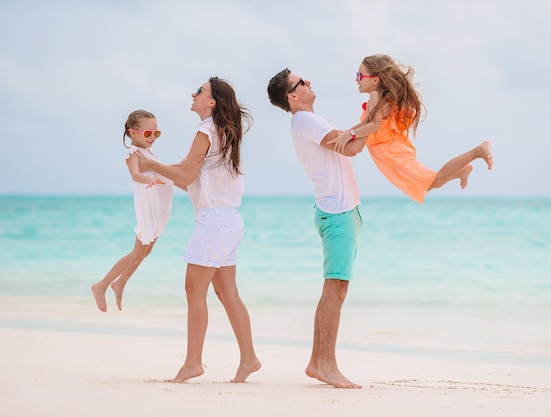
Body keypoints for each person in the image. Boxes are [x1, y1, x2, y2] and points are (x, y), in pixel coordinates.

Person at [137, 78, 261, 383]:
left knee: (195, 291)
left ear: (212, 102)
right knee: (227, 293)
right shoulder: (223, 133)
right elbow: (186, 179)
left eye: (199, 92)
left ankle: (193, 362)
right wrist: (156, 167)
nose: (193, 95)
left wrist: (147, 162)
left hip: (214, 221)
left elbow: (186, 173)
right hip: (228, 221)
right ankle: (249, 359)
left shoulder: (205, 130)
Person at [267, 68, 367, 389]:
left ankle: (319, 362)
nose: (309, 82)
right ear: (292, 96)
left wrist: (371, 115)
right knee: (334, 288)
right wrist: (376, 115)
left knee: (337, 288)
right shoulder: (305, 120)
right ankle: (324, 364)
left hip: (340, 210)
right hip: (336, 212)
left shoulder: (309, 121)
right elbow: (351, 147)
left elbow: (349, 140)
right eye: (301, 82)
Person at [330, 54, 493, 204]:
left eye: (359, 76)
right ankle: (459, 171)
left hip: (391, 152)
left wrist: (350, 134)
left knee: (433, 181)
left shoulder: (375, 97)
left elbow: (374, 126)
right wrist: (347, 134)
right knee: (428, 184)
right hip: (392, 150)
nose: (356, 79)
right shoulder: (377, 97)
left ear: (375, 80)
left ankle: (477, 151)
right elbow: (367, 122)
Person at [91, 110, 174, 312]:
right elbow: (136, 175)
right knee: (137, 252)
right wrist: (151, 180)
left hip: (159, 207)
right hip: (148, 206)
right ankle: (102, 285)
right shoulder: (133, 154)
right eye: (148, 133)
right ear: (133, 133)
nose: (153, 137)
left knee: (146, 251)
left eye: (156, 133)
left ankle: (120, 283)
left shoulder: (151, 154)